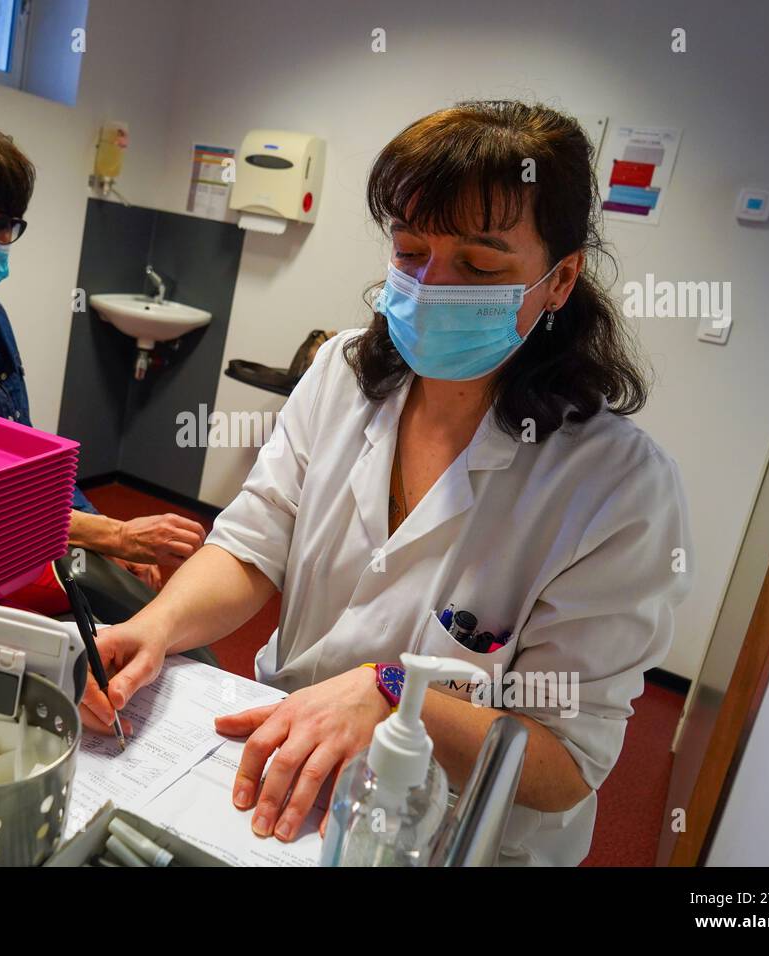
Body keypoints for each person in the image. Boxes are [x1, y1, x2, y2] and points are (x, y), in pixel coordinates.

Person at [80, 101, 693, 866]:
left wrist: (399, 693)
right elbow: (249, 546)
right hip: (286, 764)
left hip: (454, 833)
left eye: (480, 264)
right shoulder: (342, 375)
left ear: (560, 278)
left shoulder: (618, 488)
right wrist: (158, 626)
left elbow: (564, 764)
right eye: (410, 252)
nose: (432, 288)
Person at [0, 121, 205, 591]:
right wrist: (113, 535)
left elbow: (30, 458)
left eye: (3, 225)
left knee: (148, 617)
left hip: (18, 538)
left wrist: (104, 528)